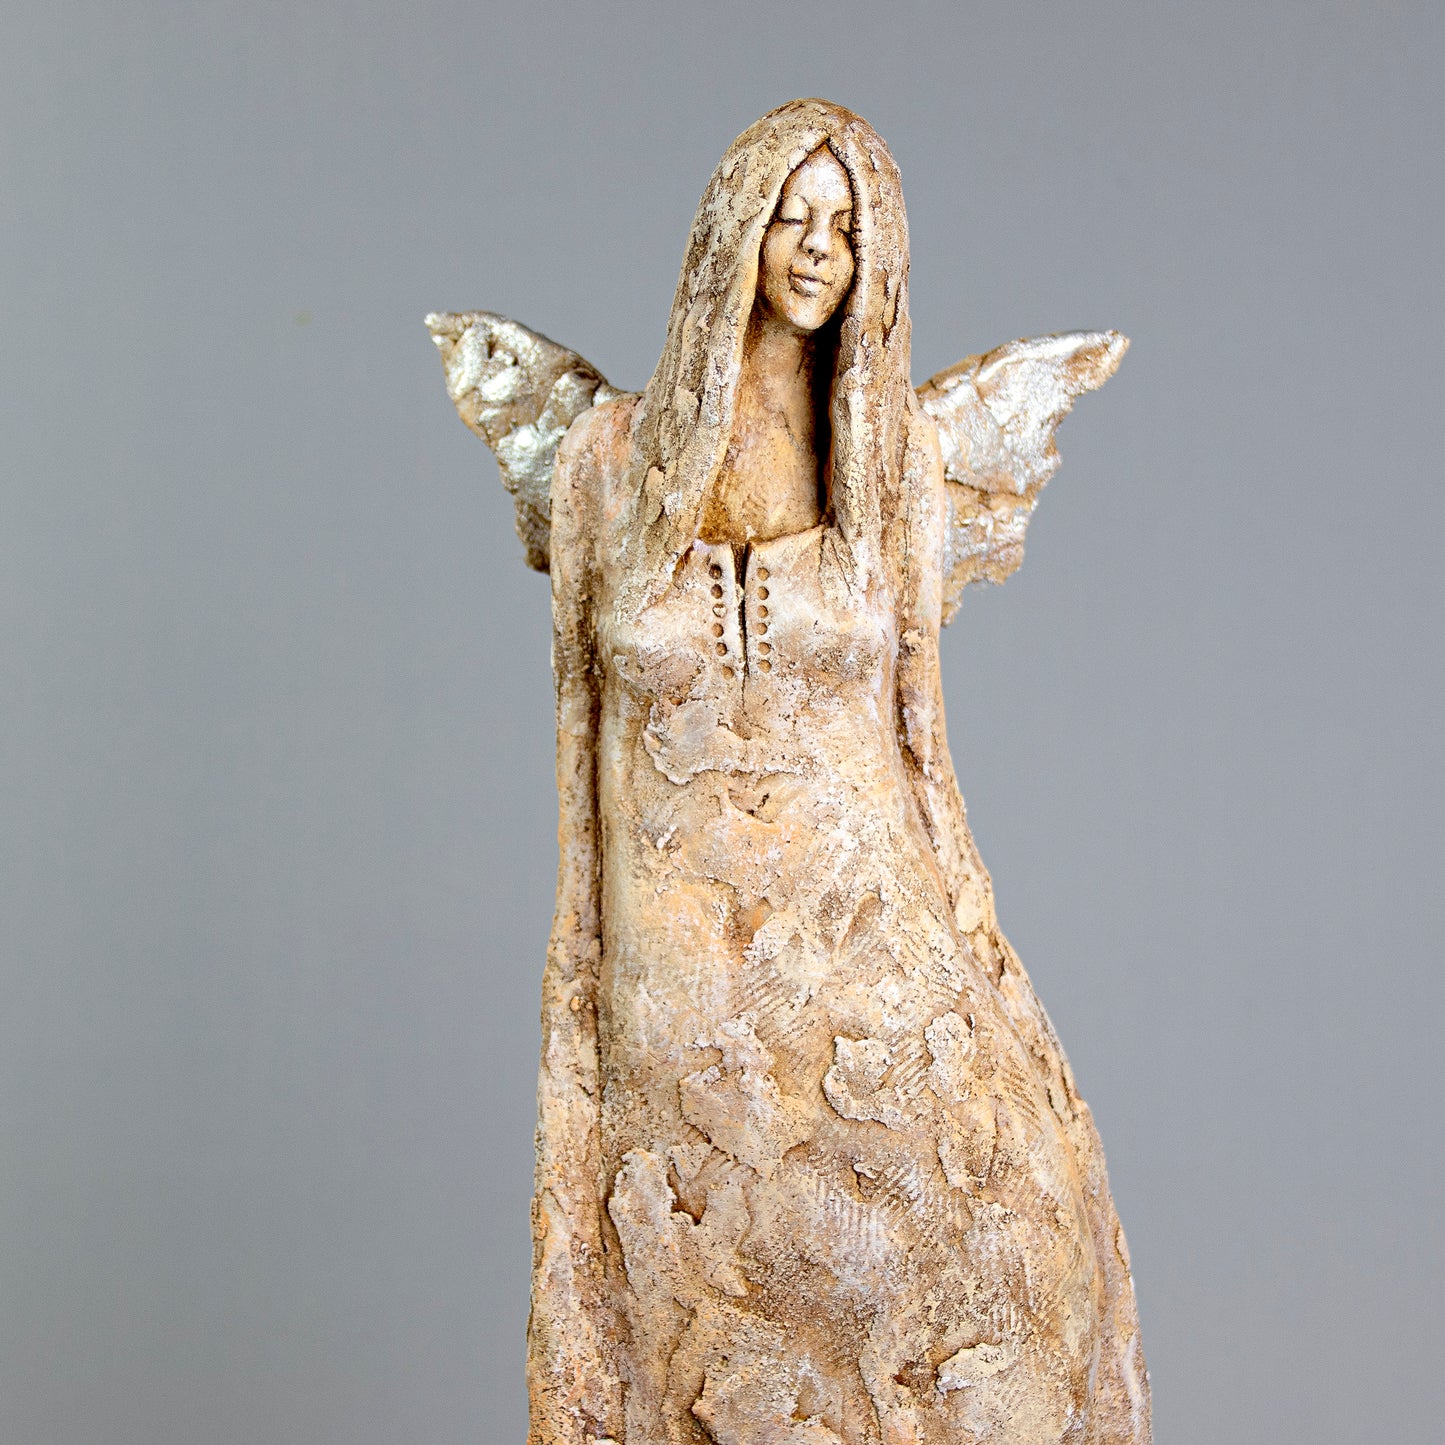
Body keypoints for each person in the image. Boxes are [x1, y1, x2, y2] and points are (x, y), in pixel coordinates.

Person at [433, 98, 1149, 1445]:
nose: (820, 248)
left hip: (877, 952)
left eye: (849, 226)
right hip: (679, 975)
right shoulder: (602, 470)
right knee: (708, 1339)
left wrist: (988, 961)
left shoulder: (897, 472)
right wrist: (579, 1003)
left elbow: (924, 749)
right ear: (733, 231)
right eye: (792, 215)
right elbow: (579, 755)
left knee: (991, 1258)